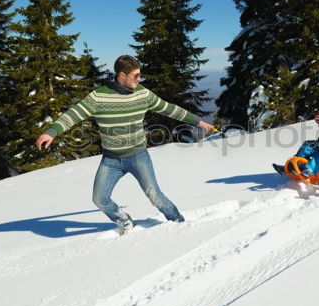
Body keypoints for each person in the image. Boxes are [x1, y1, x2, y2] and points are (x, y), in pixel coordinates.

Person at [36, 55, 215, 234]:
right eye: (135, 75)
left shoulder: (143, 94)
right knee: (99, 198)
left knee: (154, 195)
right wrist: (51, 132)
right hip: (111, 160)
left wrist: (198, 122)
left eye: (140, 75)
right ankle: (124, 220)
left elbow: (169, 109)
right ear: (122, 75)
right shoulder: (98, 97)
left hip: (138, 156)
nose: (139, 79)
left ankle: (178, 222)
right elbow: (73, 114)